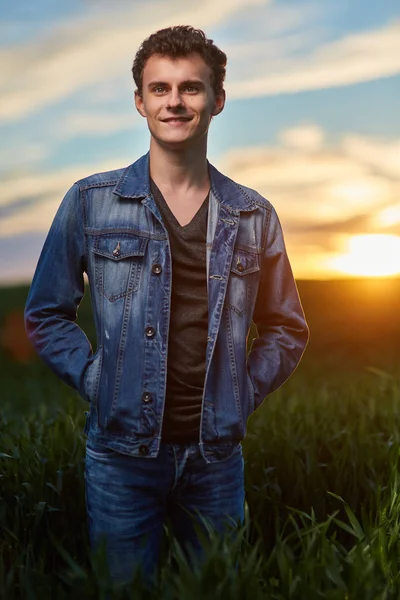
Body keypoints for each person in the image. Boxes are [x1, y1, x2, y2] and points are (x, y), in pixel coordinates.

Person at [25, 25, 309, 585]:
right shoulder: (90, 201)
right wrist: (93, 378)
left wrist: (243, 389)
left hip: (216, 459)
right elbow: (46, 312)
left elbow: (286, 327)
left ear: (217, 99)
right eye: (159, 89)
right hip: (120, 458)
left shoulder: (254, 215)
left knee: (215, 592)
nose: (174, 101)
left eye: (190, 88)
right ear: (139, 101)